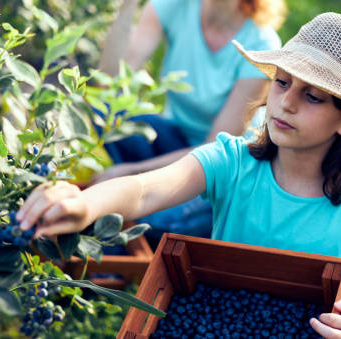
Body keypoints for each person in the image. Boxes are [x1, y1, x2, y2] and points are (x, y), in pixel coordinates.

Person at [17, 12, 341, 337]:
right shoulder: (232, 163)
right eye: (282, 82)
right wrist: (83, 203)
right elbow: (145, 191)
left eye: (312, 96)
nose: (285, 103)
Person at [94, 0, 286, 240]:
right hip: (175, 138)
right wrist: (127, 7)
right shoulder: (176, 6)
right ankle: (130, 209)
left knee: (157, 222)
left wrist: (130, 172)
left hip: (222, 165)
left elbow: (214, 147)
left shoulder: (261, 44)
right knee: (104, 111)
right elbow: (109, 85)